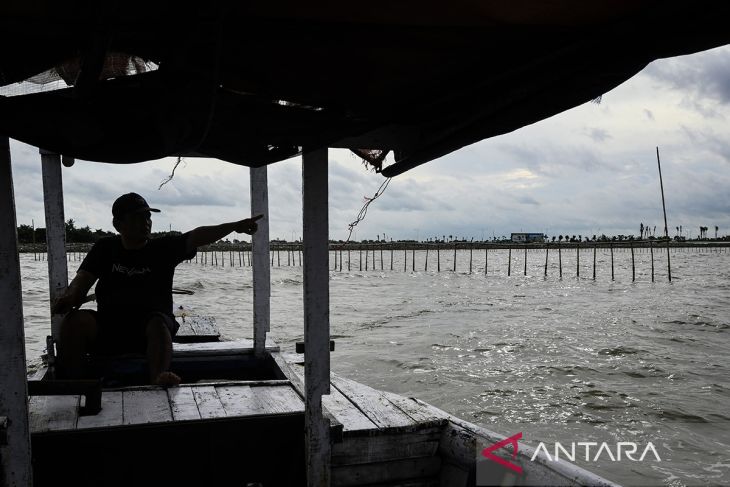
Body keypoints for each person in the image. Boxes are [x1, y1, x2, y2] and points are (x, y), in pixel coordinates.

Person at [52, 192, 263, 386]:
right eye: (137, 218)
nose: (145, 223)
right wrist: (71, 297)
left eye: (147, 217)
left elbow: (197, 235)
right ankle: (74, 385)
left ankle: (158, 378)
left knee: (158, 323)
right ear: (118, 224)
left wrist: (235, 226)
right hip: (110, 326)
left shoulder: (163, 248)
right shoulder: (105, 248)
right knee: (74, 322)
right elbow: (83, 279)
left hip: (149, 330)